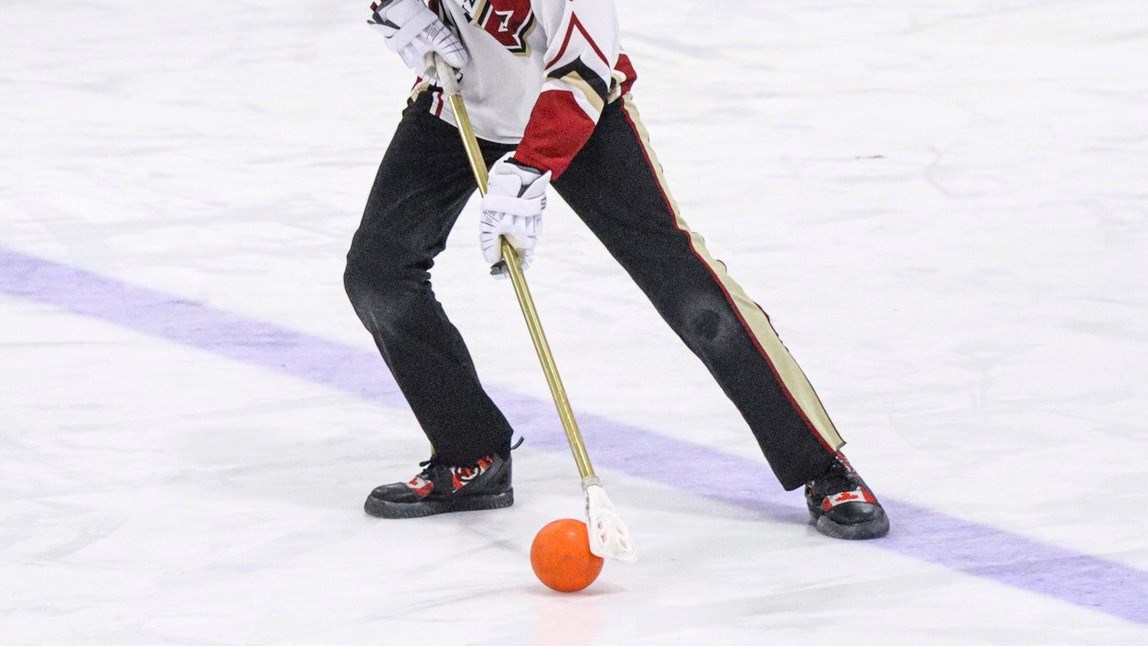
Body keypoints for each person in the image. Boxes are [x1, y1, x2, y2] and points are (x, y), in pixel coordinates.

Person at [344, 0, 890, 540]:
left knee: (691, 294)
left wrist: (532, 167)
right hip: (458, 102)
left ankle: (822, 463)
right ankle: (470, 453)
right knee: (378, 274)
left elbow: (583, 67)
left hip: (577, 115)